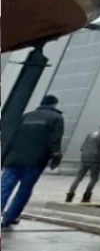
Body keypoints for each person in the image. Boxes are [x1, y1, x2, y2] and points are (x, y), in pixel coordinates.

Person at [1, 94, 64, 228]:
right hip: (35, 161)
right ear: (54, 105)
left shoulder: (26, 116)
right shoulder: (57, 118)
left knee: (4, 188)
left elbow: (11, 137)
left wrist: (4, 156)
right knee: (24, 190)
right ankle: (9, 217)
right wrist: (56, 157)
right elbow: (55, 140)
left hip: (13, 158)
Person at [66, 117, 100, 204]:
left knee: (78, 178)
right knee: (94, 179)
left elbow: (83, 147)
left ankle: (69, 195)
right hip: (96, 160)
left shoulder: (91, 133)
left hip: (85, 158)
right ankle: (86, 197)